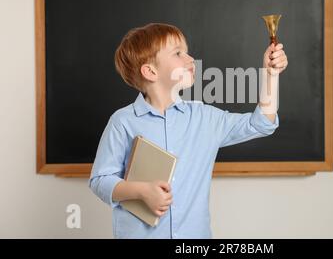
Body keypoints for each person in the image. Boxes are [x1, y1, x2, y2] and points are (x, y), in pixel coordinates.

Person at [89, 23, 288, 238]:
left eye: (186, 51)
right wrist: (142, 192)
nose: (191, 59)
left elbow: (261, 124)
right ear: (150, 71)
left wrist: (271, 76)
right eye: (178, 53)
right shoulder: (123, 122)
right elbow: (100, 180)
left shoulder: (204, 118)